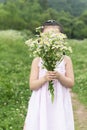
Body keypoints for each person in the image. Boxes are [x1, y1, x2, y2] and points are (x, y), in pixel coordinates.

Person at [23, 20, 75, 130]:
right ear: (41, 38)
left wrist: (60, 77)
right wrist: (45, 78)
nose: (51, 38)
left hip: (59, 101)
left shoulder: (66, 59)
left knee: (58, 123)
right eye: (47, 35)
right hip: (41, 101)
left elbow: (71, 83)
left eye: (55, 35)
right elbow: (32, 85)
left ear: (62, 38)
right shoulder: (37, 60)